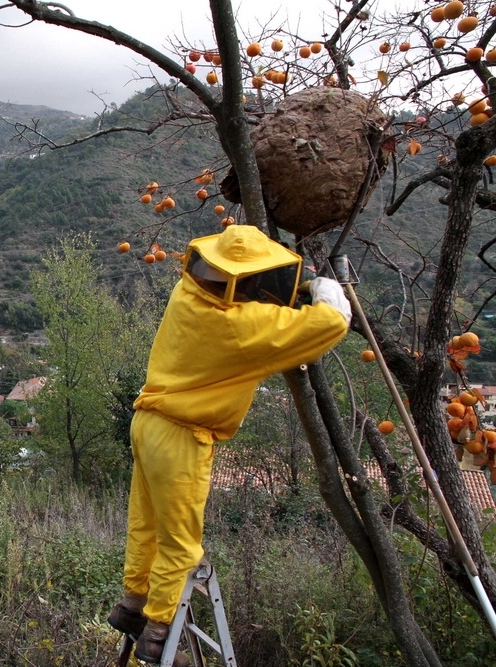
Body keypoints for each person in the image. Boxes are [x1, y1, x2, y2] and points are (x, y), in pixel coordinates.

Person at [107, 224, 351, 664]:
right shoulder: (239, 328)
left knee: (146, 525)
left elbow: (249, 307)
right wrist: (324, 288)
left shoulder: (186, 295)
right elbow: (329, 326)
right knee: (182, 542)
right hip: (182, 435)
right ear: (244, 279)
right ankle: (159, 635)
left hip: (147, 423)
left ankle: (132, 606)